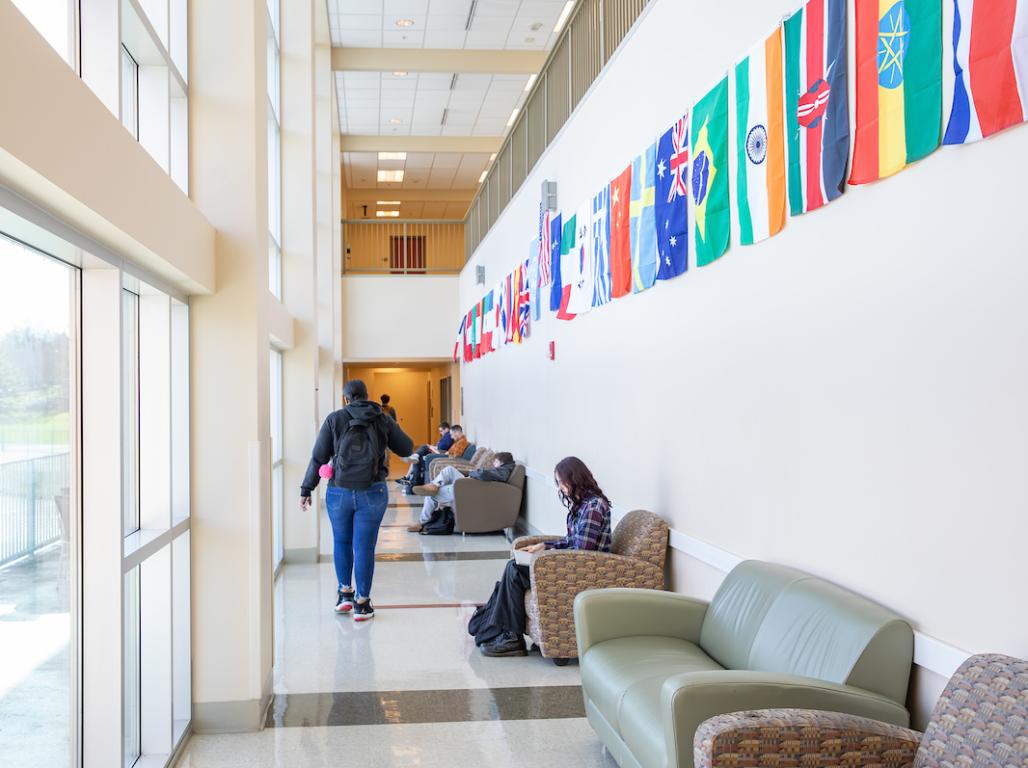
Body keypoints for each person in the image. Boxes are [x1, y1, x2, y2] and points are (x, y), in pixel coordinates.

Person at [468, 456, 612, 657]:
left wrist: (547, 557)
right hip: (575, 565)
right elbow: (574, 542)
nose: (560, 488)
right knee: (514, 566)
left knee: (515, 570)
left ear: (575, 478)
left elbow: (581, 553)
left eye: (562, 482)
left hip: (583, 573)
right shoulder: (583, 505)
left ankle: (510, 636)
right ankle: (507, 632)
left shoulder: (593, 507)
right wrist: (545, 546)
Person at [300, 379, 413, 621]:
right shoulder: (381, 417)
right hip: (373, 491)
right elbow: (406, 448)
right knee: (364, 547)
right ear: (367, 395)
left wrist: (306, 488)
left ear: (346, 399)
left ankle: (344, 595)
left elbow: (318, 457)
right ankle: (362, 603)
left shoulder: (335, 418)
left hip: (339, 491)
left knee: (341, 541)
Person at [407, 452, 516, 533]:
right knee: (449, 470)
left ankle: (421, 522)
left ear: (502, 462)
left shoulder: (503, 471)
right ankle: (434, 485)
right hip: (472, 485)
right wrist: (473, 473)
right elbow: (486, 474)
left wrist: (474, 472)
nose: (493, 464)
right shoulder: (505, 468)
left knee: (431, 496)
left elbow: (483, 474)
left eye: (495, 462)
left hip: (469, 489)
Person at [395, 421, 453, 486]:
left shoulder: (448, 436)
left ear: (447, 429)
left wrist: (432, 447)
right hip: (436, 452)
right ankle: (407, 476)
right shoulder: (446, 436)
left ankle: (408, 476)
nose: (440, 433)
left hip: (437, 454)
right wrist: (433, 447)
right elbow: (440, 447)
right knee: (418, 456)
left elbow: (442, 448)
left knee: (423, 447)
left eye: (441, 431)